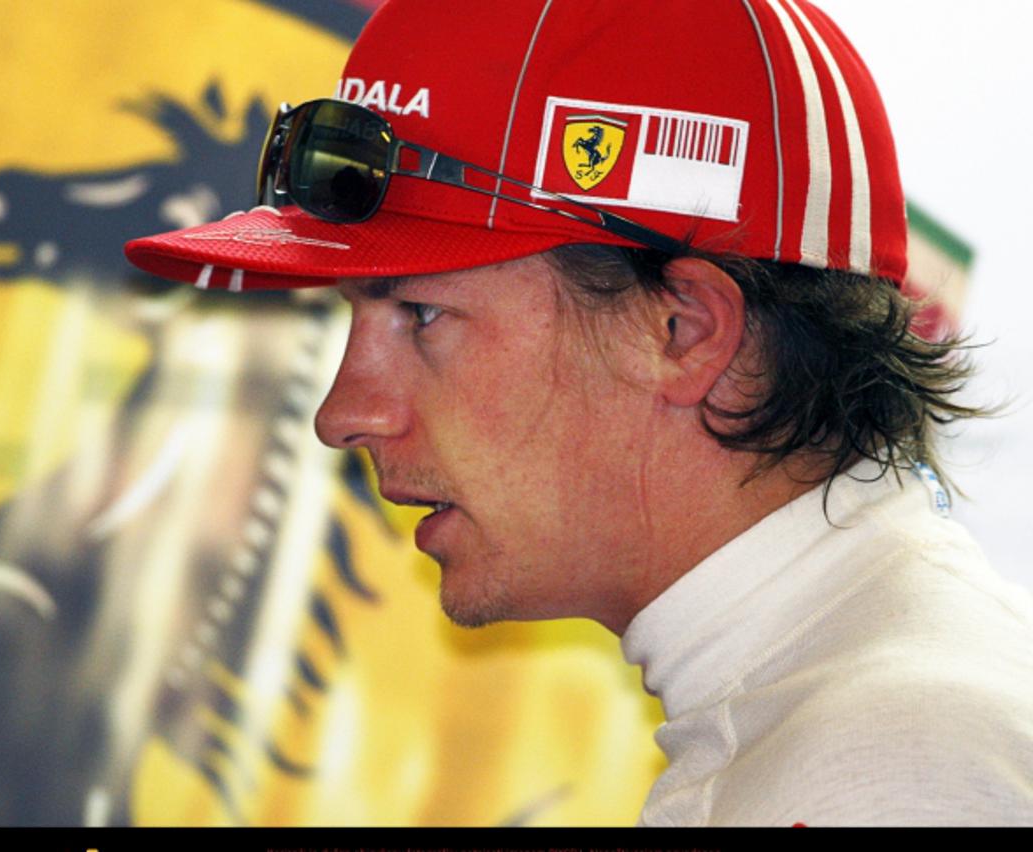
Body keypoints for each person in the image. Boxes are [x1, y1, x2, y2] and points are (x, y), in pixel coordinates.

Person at [124, 0, 1033, 826]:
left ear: (681, 331)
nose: (344, 415)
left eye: (421, 315)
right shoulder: (853, 712)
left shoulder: (891, 769)